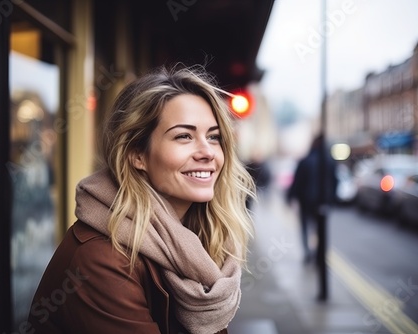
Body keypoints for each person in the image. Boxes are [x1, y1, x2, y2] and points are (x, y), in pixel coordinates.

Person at [27, 66, 256, 334]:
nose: (207, 152)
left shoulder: (198, 238)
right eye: (184, 136)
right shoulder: (102, 259)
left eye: (214, 137)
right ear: (137, 154)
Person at [287, 134, 337, 263]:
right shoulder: (330, 161)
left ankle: (308, 253)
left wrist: (291, 196)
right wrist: (332, 198)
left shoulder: (305, 161)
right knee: (320, 230)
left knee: (305, 228)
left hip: (306, 201)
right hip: (323, 202)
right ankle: (319, 255)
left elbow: (297, 182)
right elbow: (335, 182)